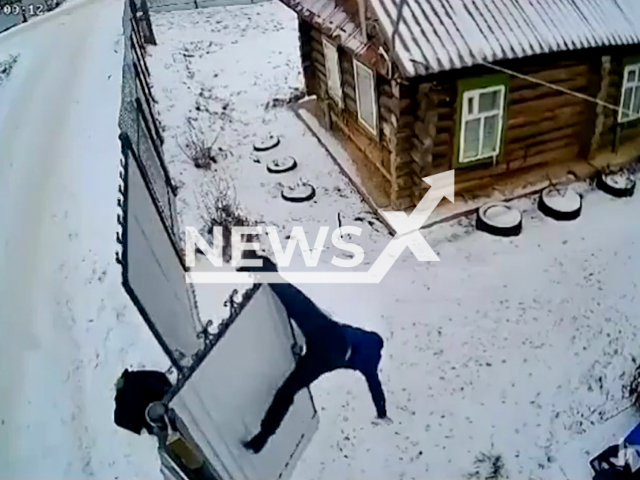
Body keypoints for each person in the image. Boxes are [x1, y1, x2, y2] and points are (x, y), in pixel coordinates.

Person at [238, 255, 391, 454]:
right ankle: (262, 437)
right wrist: (381, 412)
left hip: (329, 334)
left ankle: (262, 266)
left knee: (293, 299)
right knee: (288, 390)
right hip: (328, 360)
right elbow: (375, 387)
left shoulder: (365, 336)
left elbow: (342, 329)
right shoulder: (370, 365)